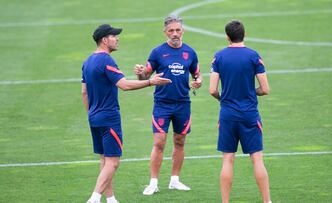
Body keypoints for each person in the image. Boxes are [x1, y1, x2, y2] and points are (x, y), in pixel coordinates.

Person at [81, 24, 171, 203]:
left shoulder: (88, 61)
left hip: (94, 117)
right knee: (113, 162)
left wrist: (91, 112)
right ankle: (94, 198)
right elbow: (124, 85)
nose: (117, 38)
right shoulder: (106, 60)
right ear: (105, 40)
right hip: (108, 118)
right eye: (114, 36)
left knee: (105, 160)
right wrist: (151, 82)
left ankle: (111, 198)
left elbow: (84, 92)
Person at [134, 15, 202, 195]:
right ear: (165, 32)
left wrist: (198, 81)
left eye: (178, 30)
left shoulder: (190, 52)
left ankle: (175, 180)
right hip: (162, 104)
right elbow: (145, 76)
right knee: (159, 142)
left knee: (180, 141)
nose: (175, 33)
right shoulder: (157, 52)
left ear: (183, 31)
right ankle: (153, 182)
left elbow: (197, 74)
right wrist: (141, 73)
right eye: (171, 30)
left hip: (182, 104)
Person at [209, 20, 271, 203]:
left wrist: (225, 98)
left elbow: (212, 90)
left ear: (227, 37)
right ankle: (267, 201)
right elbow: (265, 89)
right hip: (250, 114)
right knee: (257, 159)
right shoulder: (253, 56)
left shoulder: (218, 57)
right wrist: (251, 92)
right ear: (244, 34)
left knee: (228, 160)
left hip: (227, 114)